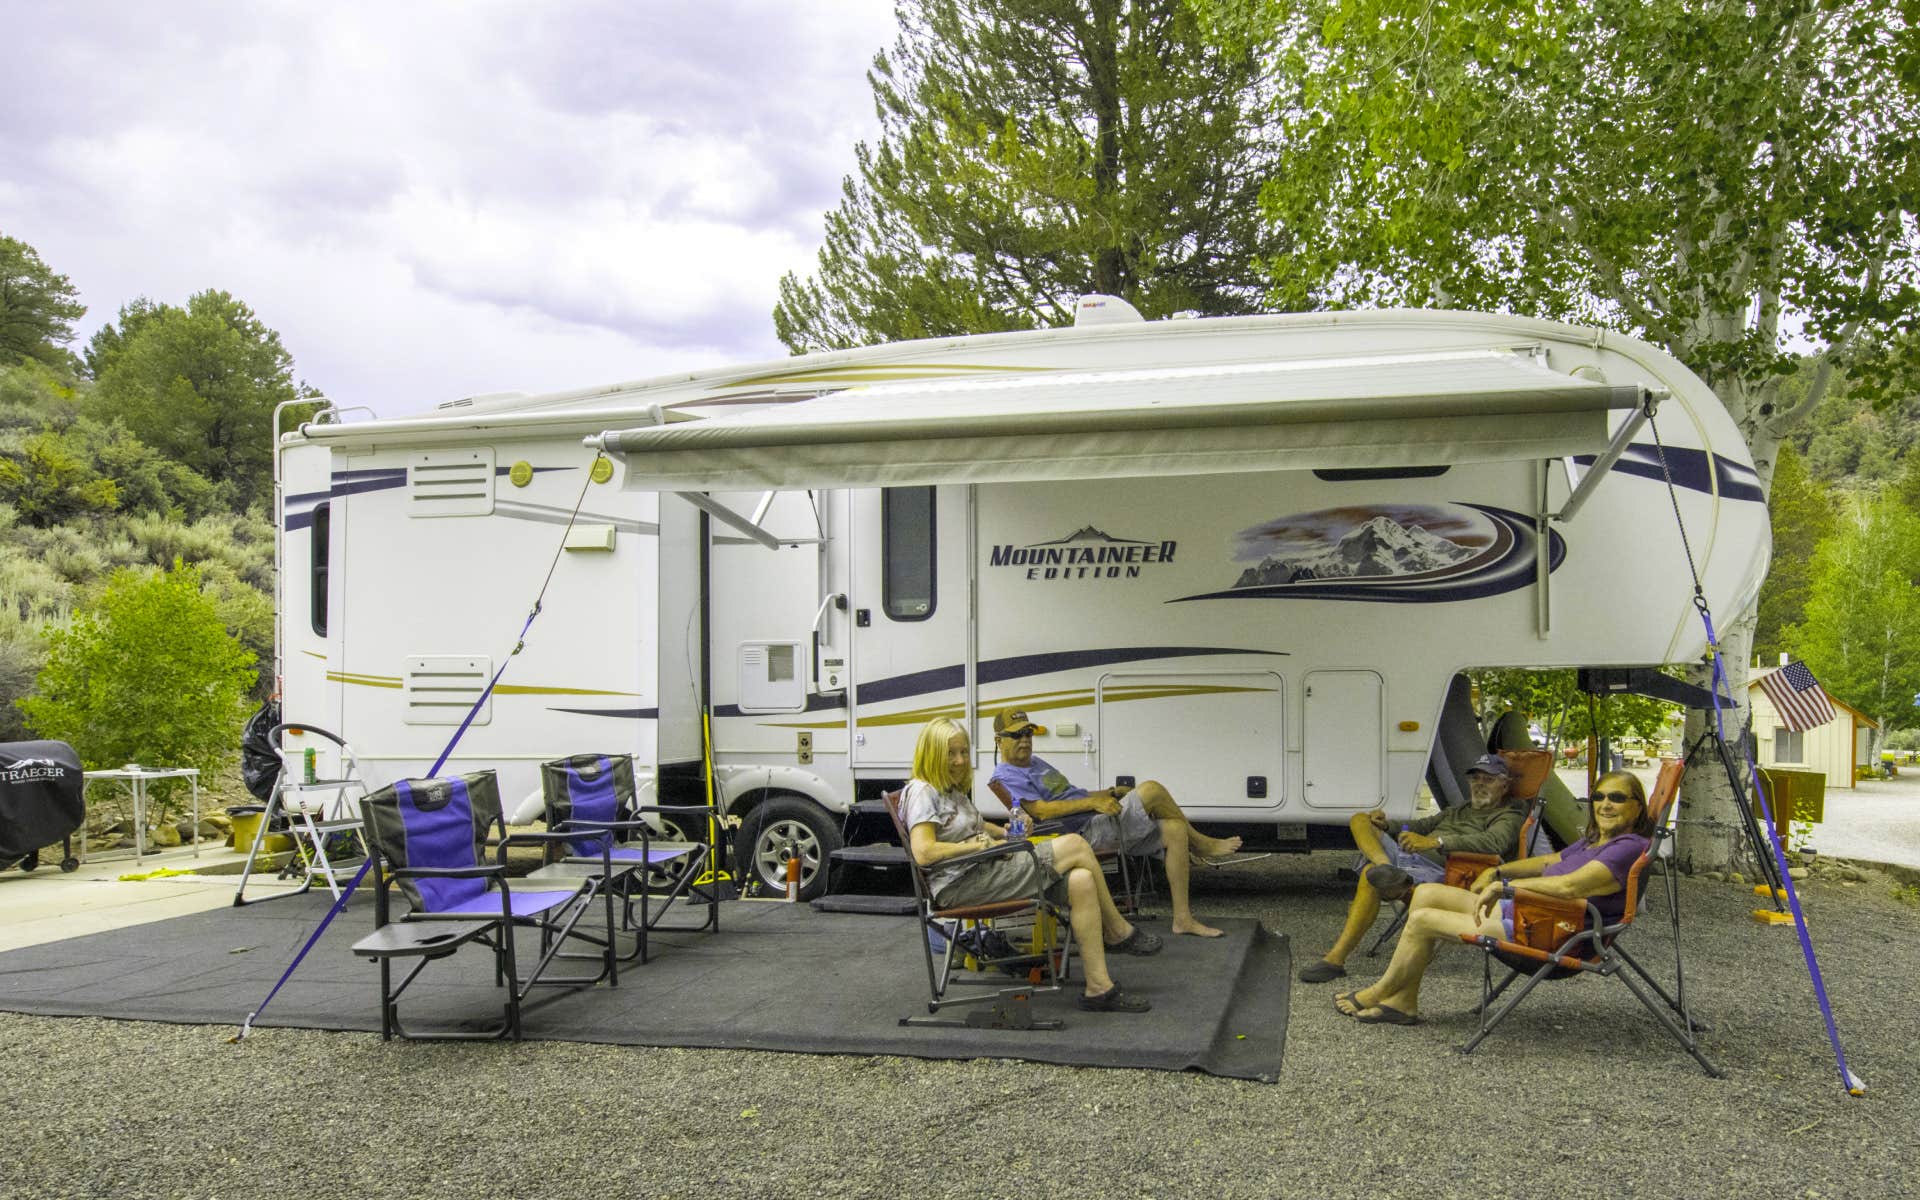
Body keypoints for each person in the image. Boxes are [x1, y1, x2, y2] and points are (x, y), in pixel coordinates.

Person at [1334, 770, 1654, 1025]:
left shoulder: (1626, 847)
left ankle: (1382, 991)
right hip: (1528, 912)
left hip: (1550, 932)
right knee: (1428, 892)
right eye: (1599, 796)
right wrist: (1499, 873)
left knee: (1421, 920)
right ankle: (1403, 1001)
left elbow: (1571, 887)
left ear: (1637, 806)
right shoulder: (1595, 840)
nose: (1605, 804)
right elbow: (1548, 862)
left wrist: (1508, 888)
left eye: (1617, 798)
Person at [902, 716, 1163, 1013]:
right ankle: (1117, 930)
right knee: (1076, 844)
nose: (960, 760)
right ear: (932, 752)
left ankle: (1099, 989)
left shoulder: (948, 789)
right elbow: (924, 852)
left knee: (1081, 881)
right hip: (963, 884)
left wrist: (1006, 831)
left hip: (986, 868)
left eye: (963, 752)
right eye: (951, 753)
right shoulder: (923, 791)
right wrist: (978, 846)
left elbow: (975, 825)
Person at [988, 708, 1246, 938]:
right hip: (1079, 834)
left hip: (1095, 819)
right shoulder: (1006, 774)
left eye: (1028, 733)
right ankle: (1201, 844)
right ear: (999, 740)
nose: (1025, 740)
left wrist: (1107, 793)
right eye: (1016, 735)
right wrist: (1093, 804)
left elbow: (1073, 795)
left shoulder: (1036, 763)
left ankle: (1183, 919)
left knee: (1175, 830)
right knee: (1153, 790)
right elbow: (1040, 811)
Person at [1297, 753, 1525, 983]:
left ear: (1504, 785)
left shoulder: (1509, 815)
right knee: (1360, 819)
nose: (1480, 784)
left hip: (1446, 874)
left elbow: (1494, 843)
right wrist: (1387, 825)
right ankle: (1385, 867)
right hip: (1410, 862)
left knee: (1369, 877)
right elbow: (1420, 825)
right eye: (1476, 779)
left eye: (1488, 779)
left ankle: (1335, 959)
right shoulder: (1460, 809)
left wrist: (1437, 843)